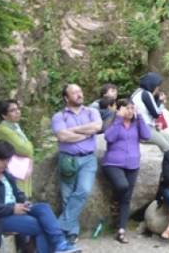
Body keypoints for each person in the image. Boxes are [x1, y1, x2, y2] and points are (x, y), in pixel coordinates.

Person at [0, 141, 80, 253]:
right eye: (3, 160)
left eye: (8, 160)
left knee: (43, 208)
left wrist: (23, 201)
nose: (6, 164)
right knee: (39, 225)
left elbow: (16, 193)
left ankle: (60, 245)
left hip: (14, 210)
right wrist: (12, 209)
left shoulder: (6, 175)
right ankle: (59, 246)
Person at [51, 83, 102, 244]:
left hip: (88, 158)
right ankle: (71, 232)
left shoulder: (92, 111)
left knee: (83, 190)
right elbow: (63, 137)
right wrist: (86, 134)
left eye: (80, 91)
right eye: (74, 93)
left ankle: (58, 227)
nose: (79, 94)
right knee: (67, 195)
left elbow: (97, 126)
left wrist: (73, 130)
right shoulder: (59, 116)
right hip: (68, 159)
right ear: (66, 98)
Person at [102, 98, 151, 243]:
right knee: (123, 187)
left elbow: (147, 136)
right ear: (120, 109)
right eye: (127, 108)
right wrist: (118, 118)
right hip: (113, 163)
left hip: (133, 164)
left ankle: (121, 230)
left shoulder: (136, 123)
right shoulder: (113, 121)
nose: (130, 111)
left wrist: (140, 116)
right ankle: (117, 203)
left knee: (127, 198)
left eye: (132, 108)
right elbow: (109, 137)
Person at [0, 99, 35, 197]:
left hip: (18, 169)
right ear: (4, 116)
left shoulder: (15, 127)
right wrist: (30, 145)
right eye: (12, 110)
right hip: (10, 170)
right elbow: (25, 150)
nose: (17, 112)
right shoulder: (4, 130)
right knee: (18, 199)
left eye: (17, 109)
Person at [132, 72, 169, 151]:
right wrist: (161, 102)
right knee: (168, 148)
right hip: (145, 129)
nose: (158, 89)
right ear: (152, 84)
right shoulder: (146, 94)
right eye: (157, 86)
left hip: (141, 127)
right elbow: (156, 114)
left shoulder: (137, 92)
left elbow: (150, 110)